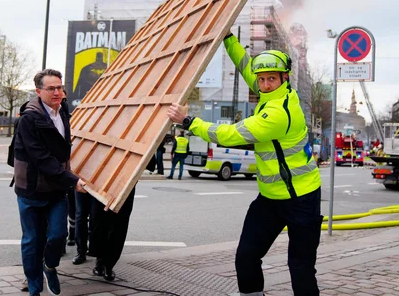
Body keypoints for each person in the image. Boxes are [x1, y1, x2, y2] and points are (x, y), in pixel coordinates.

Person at [168, 33, 322, 296]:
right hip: (270, 199)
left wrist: (189, 122)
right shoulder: (269, 90)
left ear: (285, 78)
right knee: (246, 257)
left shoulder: (279, 112)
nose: (264, 84)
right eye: (261, 79)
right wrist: (228, 37)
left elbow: (232, 134)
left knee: (300, 266)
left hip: (301, 199)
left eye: (271, 78)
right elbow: (244, 64)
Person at [13, 69, 87, 296]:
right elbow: (41, 158)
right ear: (38, 91)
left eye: (60, 87)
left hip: (56, 189)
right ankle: (35, 288)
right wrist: (72, 180)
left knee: (58, 236)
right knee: (32, 242)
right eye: (51, 88)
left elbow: (63, 150)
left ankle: (50, 266)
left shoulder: (63, 111)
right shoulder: (29, 119)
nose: (58, 92)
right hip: (31, 190)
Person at [89, 187, 136, 281]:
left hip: (126, 186)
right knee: (99, 222)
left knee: (119, 226)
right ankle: (100, 260)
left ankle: (109, 265)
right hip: (104, 185)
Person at [72, 190, 96, 265]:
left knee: (96, 215)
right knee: (80, 215)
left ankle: (96, 251)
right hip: (81, 181)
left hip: (100, 182)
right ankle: (81, 252)